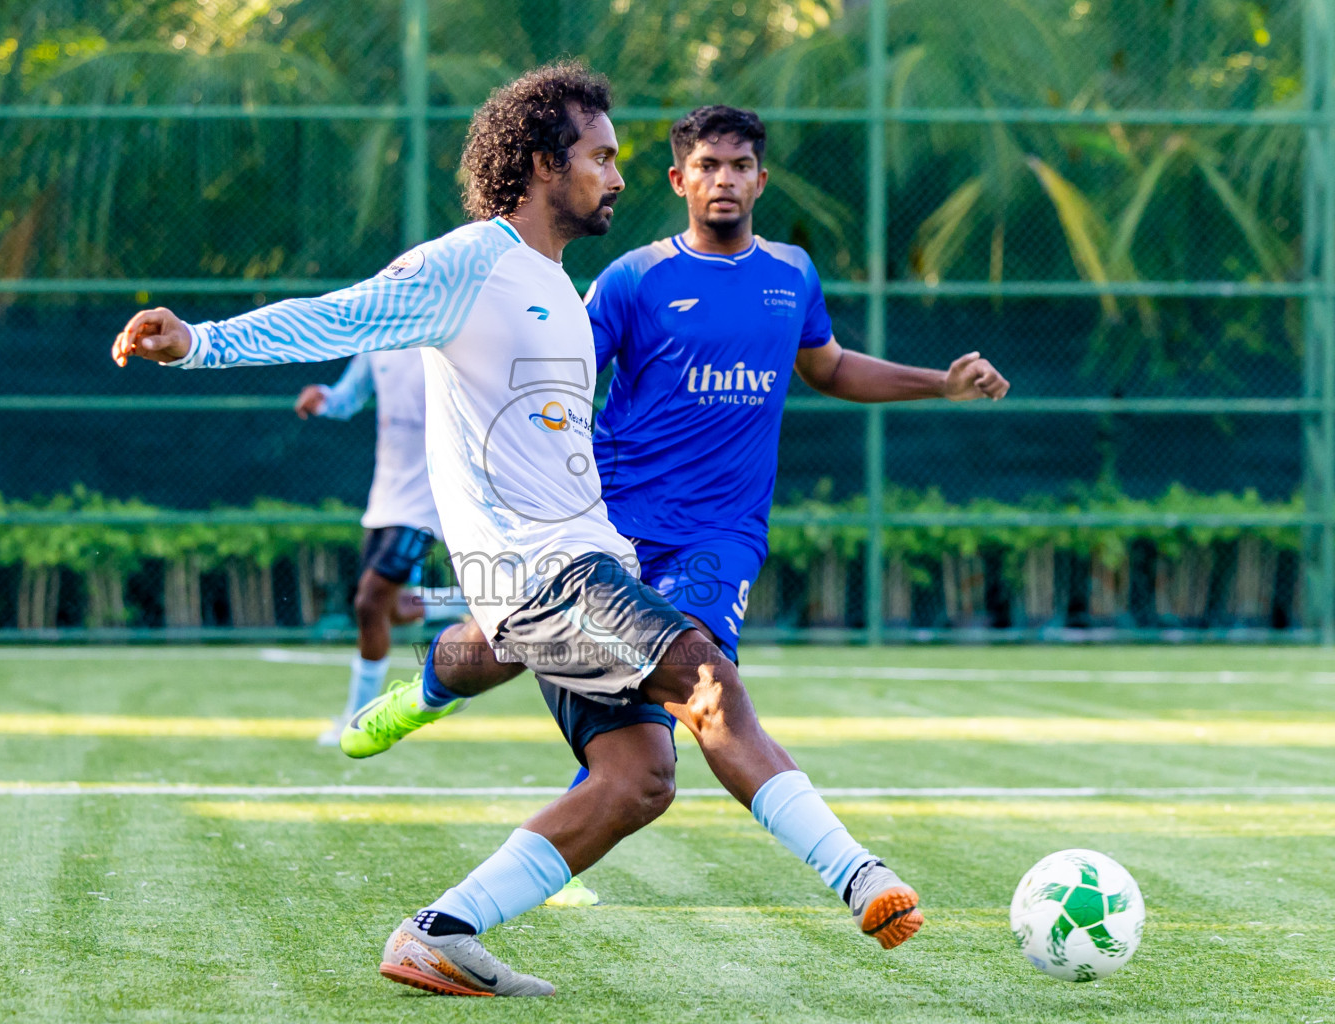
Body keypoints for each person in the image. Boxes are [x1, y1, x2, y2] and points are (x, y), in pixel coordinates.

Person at [113, 61, 922, 999]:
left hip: (581, 564)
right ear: (543, 163)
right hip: (542, 576)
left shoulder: (556, 287)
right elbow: (341, 313)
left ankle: (438, 932)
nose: (618, 177)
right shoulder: (470, 261)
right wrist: (201, 340)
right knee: (709, 683)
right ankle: (859, 875)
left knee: (639, 780)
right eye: (601, 157)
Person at [543, 103, 1010, 906]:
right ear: (678, 179)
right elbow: (558, 380)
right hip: (613, 533)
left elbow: (826, 367)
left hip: (720, 537)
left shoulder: (791, 274)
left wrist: (939, 383)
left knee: (706, 685)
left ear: (762, 178)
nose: (724, 180)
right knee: (627, 759)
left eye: (739, 166)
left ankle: (856, 875)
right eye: (708, 166)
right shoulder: (634, 279)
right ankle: (443, 705)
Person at [293, 351, 448, 745]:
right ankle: (475, 604)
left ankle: (357, 718)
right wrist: (324, 398)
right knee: (392, 608)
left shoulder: (450, 331)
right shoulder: (377, 340)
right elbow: (348, 396)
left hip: (431, 498)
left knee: (369, 602)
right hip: (386, 497)